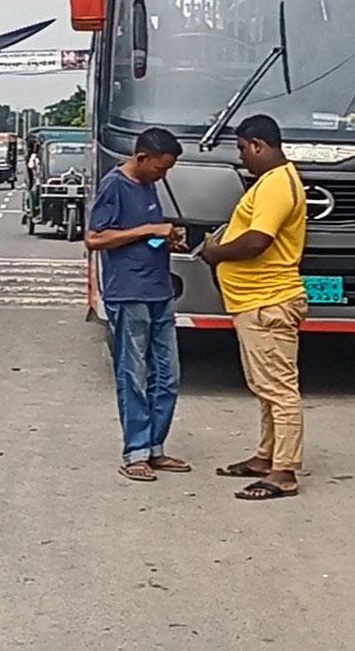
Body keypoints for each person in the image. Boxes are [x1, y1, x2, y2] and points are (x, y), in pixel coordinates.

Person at [200, 114, 308, 501]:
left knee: (279, 389)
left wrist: (215, 253)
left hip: (268, 301)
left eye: (243, 149)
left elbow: (256, 241)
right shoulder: (272, 182)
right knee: (265, 386)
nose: (242, 157)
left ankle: (284, 471)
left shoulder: (277, 185)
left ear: (258, 145)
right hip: (254, 301)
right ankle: (267, 455)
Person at [85, 127, 189, 482]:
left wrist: (167, 237)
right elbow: (96, 237)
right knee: (134, 375)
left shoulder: (148, 185)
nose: (163, 175)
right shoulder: (115, 185)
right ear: (142, 158)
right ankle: (136, 452)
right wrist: (148, 230)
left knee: (167, 374)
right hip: (128, 292)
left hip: (158, 290)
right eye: (160, 168)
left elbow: (149, 234)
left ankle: (155, 447)